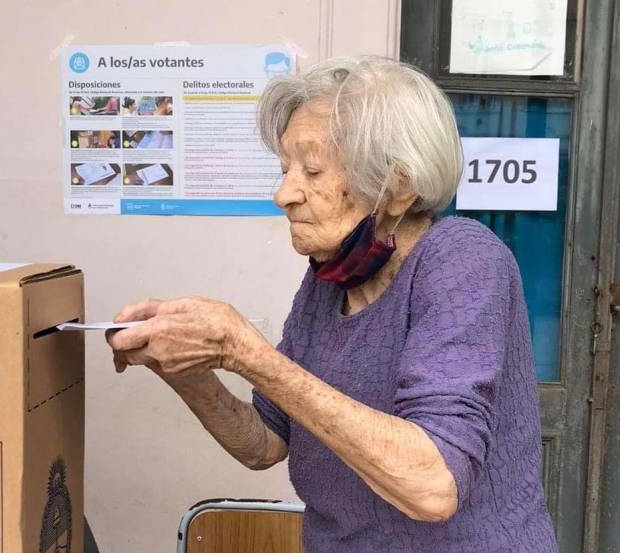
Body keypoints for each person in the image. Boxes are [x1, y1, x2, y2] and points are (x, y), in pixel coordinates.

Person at [106, 56, 557, 552]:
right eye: (285, 169)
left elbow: (432, 486)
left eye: (313, 170)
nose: (283, 194)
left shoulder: (462, 259)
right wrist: (185, 368)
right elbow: (265, 443)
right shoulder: (329, 281)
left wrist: (246, 352)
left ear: (398, 186)